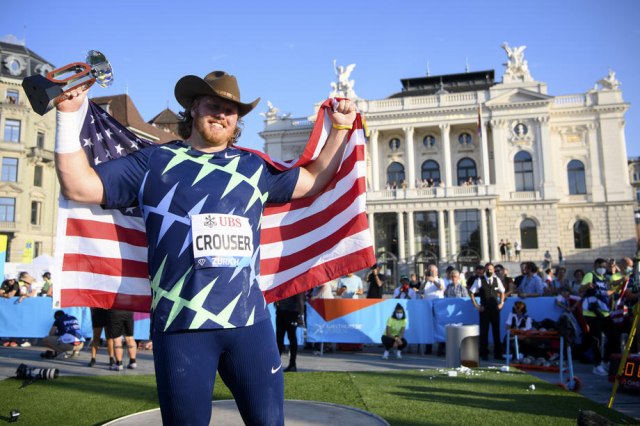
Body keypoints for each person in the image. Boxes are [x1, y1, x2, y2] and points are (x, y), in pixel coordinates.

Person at [54, 70, 356, 424]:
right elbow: (79, 186)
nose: (223, 114)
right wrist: (68, 115)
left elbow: (316, 179)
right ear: (194, 107)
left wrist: (340, 128)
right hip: (181, 327)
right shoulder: (155, 163)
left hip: (249, 325)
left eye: (232, 110)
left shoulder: (255, 167)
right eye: (214, 104)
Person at [580, 258, 615, 376]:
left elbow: (608, 291)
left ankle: (606, 360)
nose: (602, 268)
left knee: (613, 335)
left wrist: (617, 288)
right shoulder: (590, 275)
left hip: (604, 312)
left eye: (604, 266)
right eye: (600, 266)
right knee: (597, 338)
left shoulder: (605, 279)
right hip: (592, 312)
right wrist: (587, 286)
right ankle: (597, 364)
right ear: (595, 265)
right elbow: (581, 289)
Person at [470, 262, 505, 361]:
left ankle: (498, 353)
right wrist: (476, 305)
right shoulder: (479, 280)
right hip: (484, 309)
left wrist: (501, 303)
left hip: (494, 308)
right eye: (488, 269)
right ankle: (484, 352)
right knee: (484, 331)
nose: (490, 271)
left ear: (493, 270)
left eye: (491, 269)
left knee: (496, 331)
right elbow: (471, 292)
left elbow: (502, 291)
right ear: (485, 270)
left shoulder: (496, 279)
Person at [275, 292, 305, 372]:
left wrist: (300, 315)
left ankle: (292, 364)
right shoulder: (282, 281)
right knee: (279, 338)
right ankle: (276, 364)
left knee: (291, 337)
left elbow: (300, 299)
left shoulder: (296, 283)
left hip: (292, 312)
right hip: (281, 311)